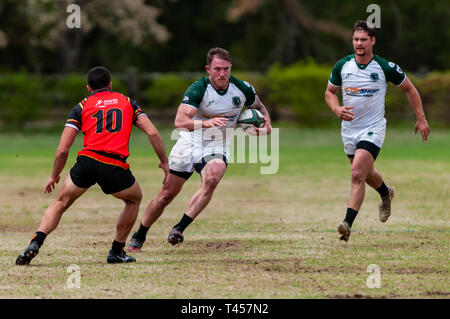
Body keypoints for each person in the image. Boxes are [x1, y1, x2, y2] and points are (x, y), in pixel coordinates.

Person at [16, 66, 169, 265]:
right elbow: (153, 133)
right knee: (134, 199)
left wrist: (54, 176)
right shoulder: (127, 102)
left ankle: (35, 242)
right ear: (110, 84)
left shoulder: (81, 106)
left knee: (61, 202)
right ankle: (117, 250)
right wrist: (164, 162)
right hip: (113, 165)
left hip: (87, 161)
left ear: (89, 88)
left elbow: (63, 149)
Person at [128, 47, 272, 251]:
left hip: (217, 145)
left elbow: (259, 108)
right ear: (208, 69)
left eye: (226, 69)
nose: (222, 73)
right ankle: (140, 234)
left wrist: (267, 127)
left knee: (212, 178)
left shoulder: (242, 88)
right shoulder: (198, 89)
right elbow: (179, 121)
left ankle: (179, 228)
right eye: (217, 69)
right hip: (190, 142)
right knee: (167, 195)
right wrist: (207, 123)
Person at [324, 21, 430, 241]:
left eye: (363, 39)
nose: (359, 43)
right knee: (366, 173)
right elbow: (330, 92)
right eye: (356, 39)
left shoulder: (385, 67)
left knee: (356, 175)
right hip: (349, 129)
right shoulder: (342, 65)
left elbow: (409, 88)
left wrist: (421, 118)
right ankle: (385, 193)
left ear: (372, 41)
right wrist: (336, 109)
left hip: (372, 129)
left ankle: (347, 224)